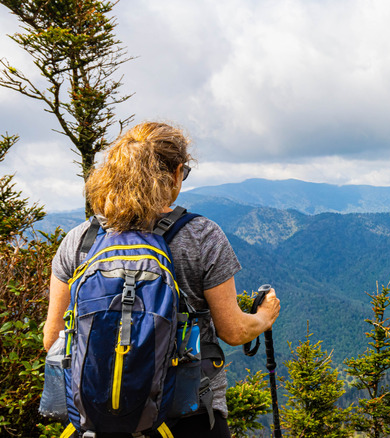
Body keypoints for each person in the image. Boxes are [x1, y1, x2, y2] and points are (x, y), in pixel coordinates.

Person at [43, 121, 281, 437]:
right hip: (190, 414)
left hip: (99, 421)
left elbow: (53, 339)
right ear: (175, 173)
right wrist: (265, 316)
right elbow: (234, 330)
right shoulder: (201, 235)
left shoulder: (81, 240)